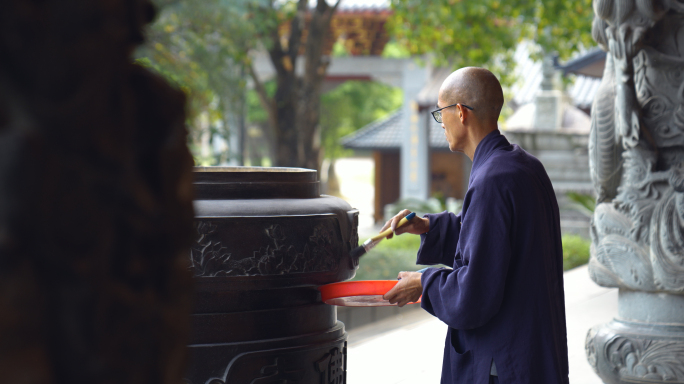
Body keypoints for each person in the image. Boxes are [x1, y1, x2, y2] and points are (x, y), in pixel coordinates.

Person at [382, 67, 569, 384]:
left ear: (460, 112)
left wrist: (424, 283)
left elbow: (474, 295)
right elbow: (495, 238)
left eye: (441, 114)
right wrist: (429, 226)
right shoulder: (522, 165)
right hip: (535, 349)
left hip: (503, 364)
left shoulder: (491, 180)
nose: (442, 125)